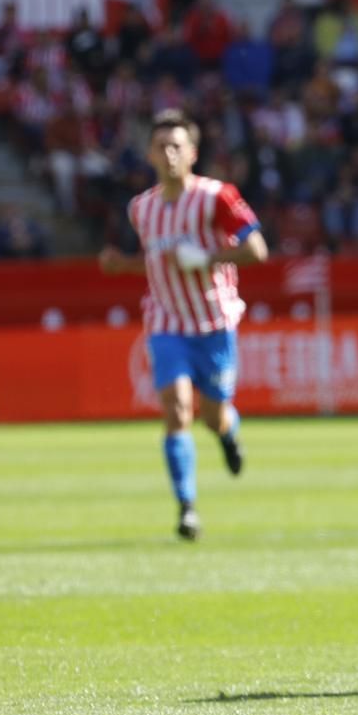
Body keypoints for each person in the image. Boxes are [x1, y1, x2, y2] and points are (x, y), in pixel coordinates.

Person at [99, 111, 268, 540]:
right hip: (166, 321)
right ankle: (187, 507)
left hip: (213, 322)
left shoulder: (217, 198)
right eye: (162, 146)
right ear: (150, 154)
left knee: (213, 416)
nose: (170, 153)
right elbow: (159, 264)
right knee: (176, 411)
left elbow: (257, 250)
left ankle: (228, 434)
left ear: (192, 154)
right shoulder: (141, 208)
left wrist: (207, 258)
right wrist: (123, 267)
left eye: (178, 146)